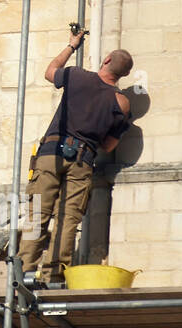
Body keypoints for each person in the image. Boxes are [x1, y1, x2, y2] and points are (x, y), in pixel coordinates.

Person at [18, 28, 133, 285]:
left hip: (51, 154)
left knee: (38, 213)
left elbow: (50, 71)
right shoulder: (122, 103)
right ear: (124, 74)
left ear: (106, 61)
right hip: (83, 160)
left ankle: (23, 269)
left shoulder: (78, 76)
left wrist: (72, 46)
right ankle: (54, 275)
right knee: (68, 219)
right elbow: (109, 145)